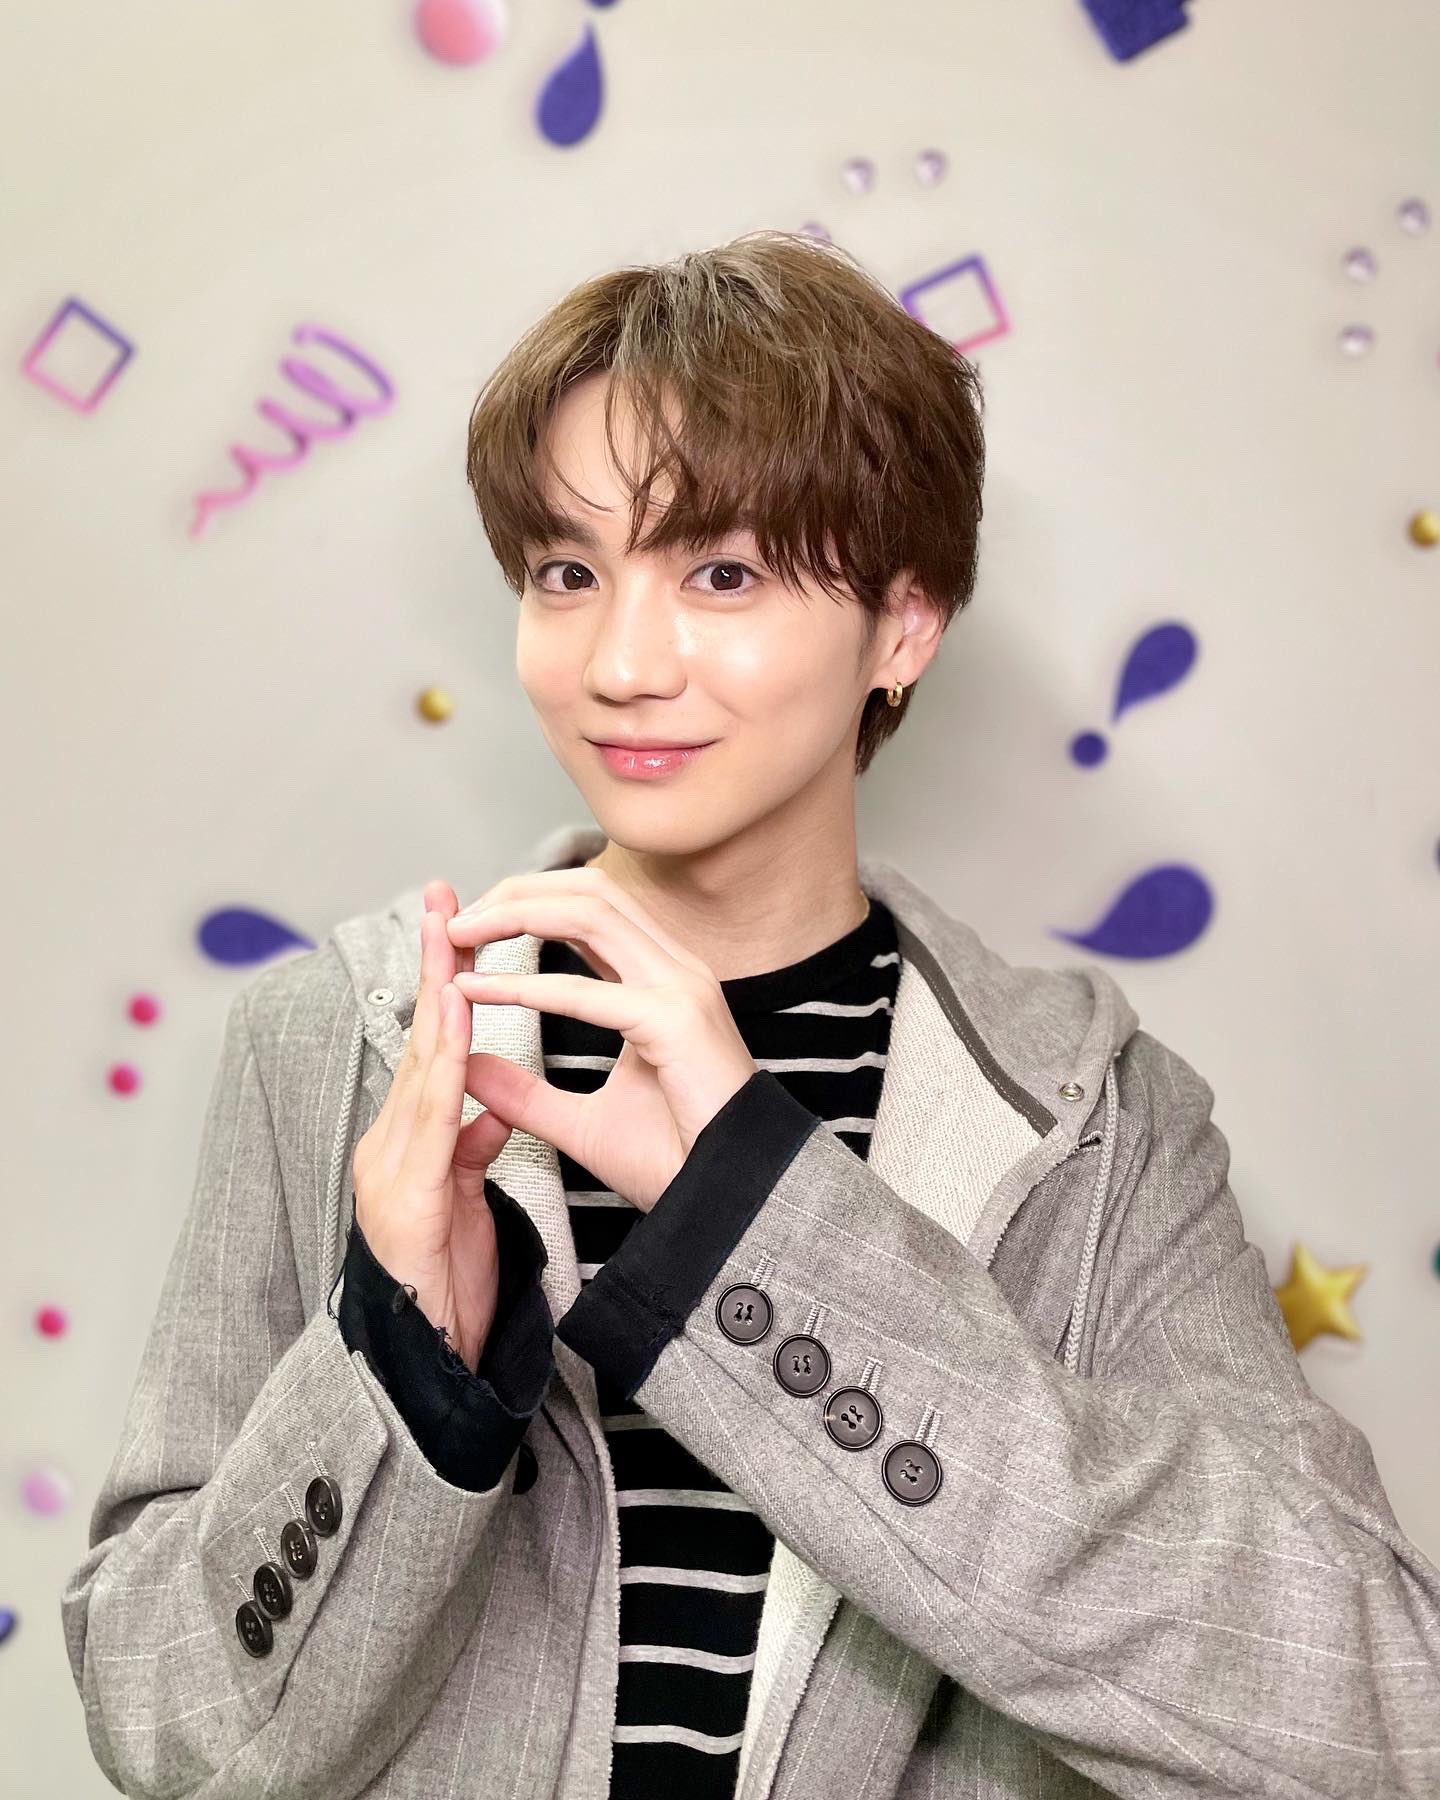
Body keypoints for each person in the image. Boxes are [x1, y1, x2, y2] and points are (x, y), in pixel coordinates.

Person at [62, 231, 1440, 1800]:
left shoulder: (1096, 1121)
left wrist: (754, 1223)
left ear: (905, 624)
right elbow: (165, 1733)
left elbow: (1368, 1728)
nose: (621, 663)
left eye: (722, 574)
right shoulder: (341, 1039)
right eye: (567, 573)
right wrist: (399, 1355)